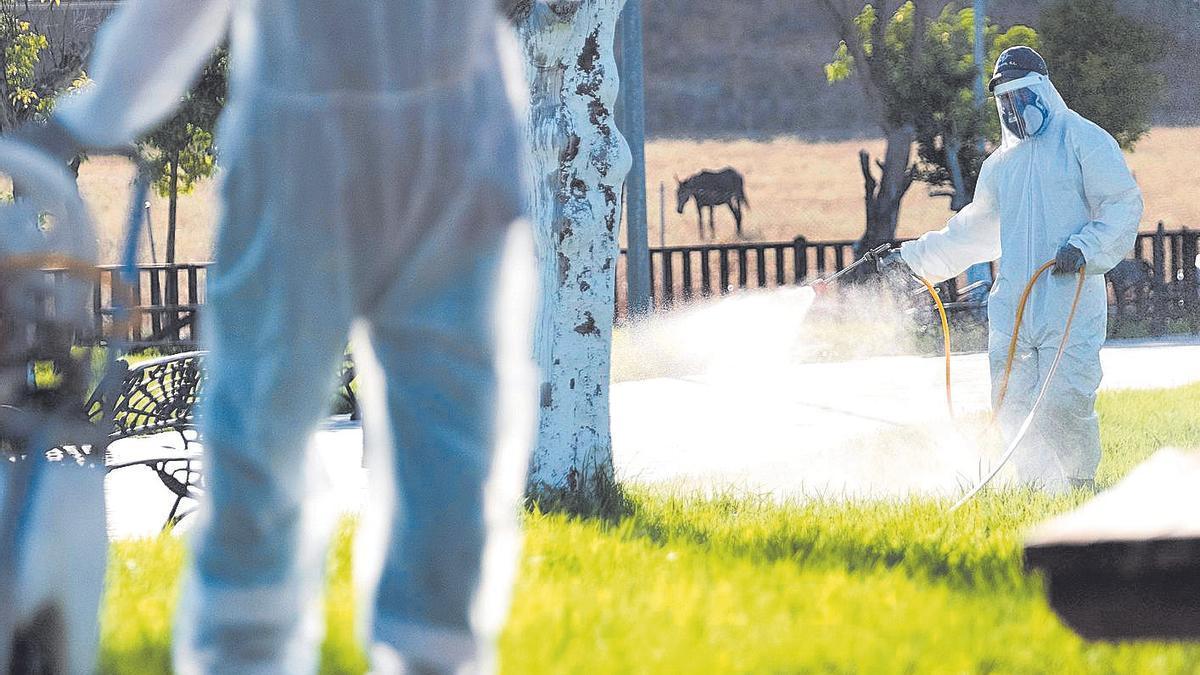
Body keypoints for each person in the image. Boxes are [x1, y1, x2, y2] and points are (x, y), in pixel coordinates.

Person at [34, 0, 538, 672]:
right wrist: (98, 112)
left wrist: (95, 113)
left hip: (396, 140)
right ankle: (270, 653)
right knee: (284, 426)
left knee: (431, 436)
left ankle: (406, 650)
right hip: (364, 141)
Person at [882, 46, 1143, 493]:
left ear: (1043, 91)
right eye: (1005, 101)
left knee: (1066, 398)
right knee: (1011, 405)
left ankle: (1078, 481)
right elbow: (972, 232)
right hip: (1013, 305)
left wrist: (1085, 247)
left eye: (1021, 96)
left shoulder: (1084, 140)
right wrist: (912, 261)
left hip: (1069, 300)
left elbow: (1122, 204)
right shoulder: (1001, 165)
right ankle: (1038, 489)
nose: (1014, 109)